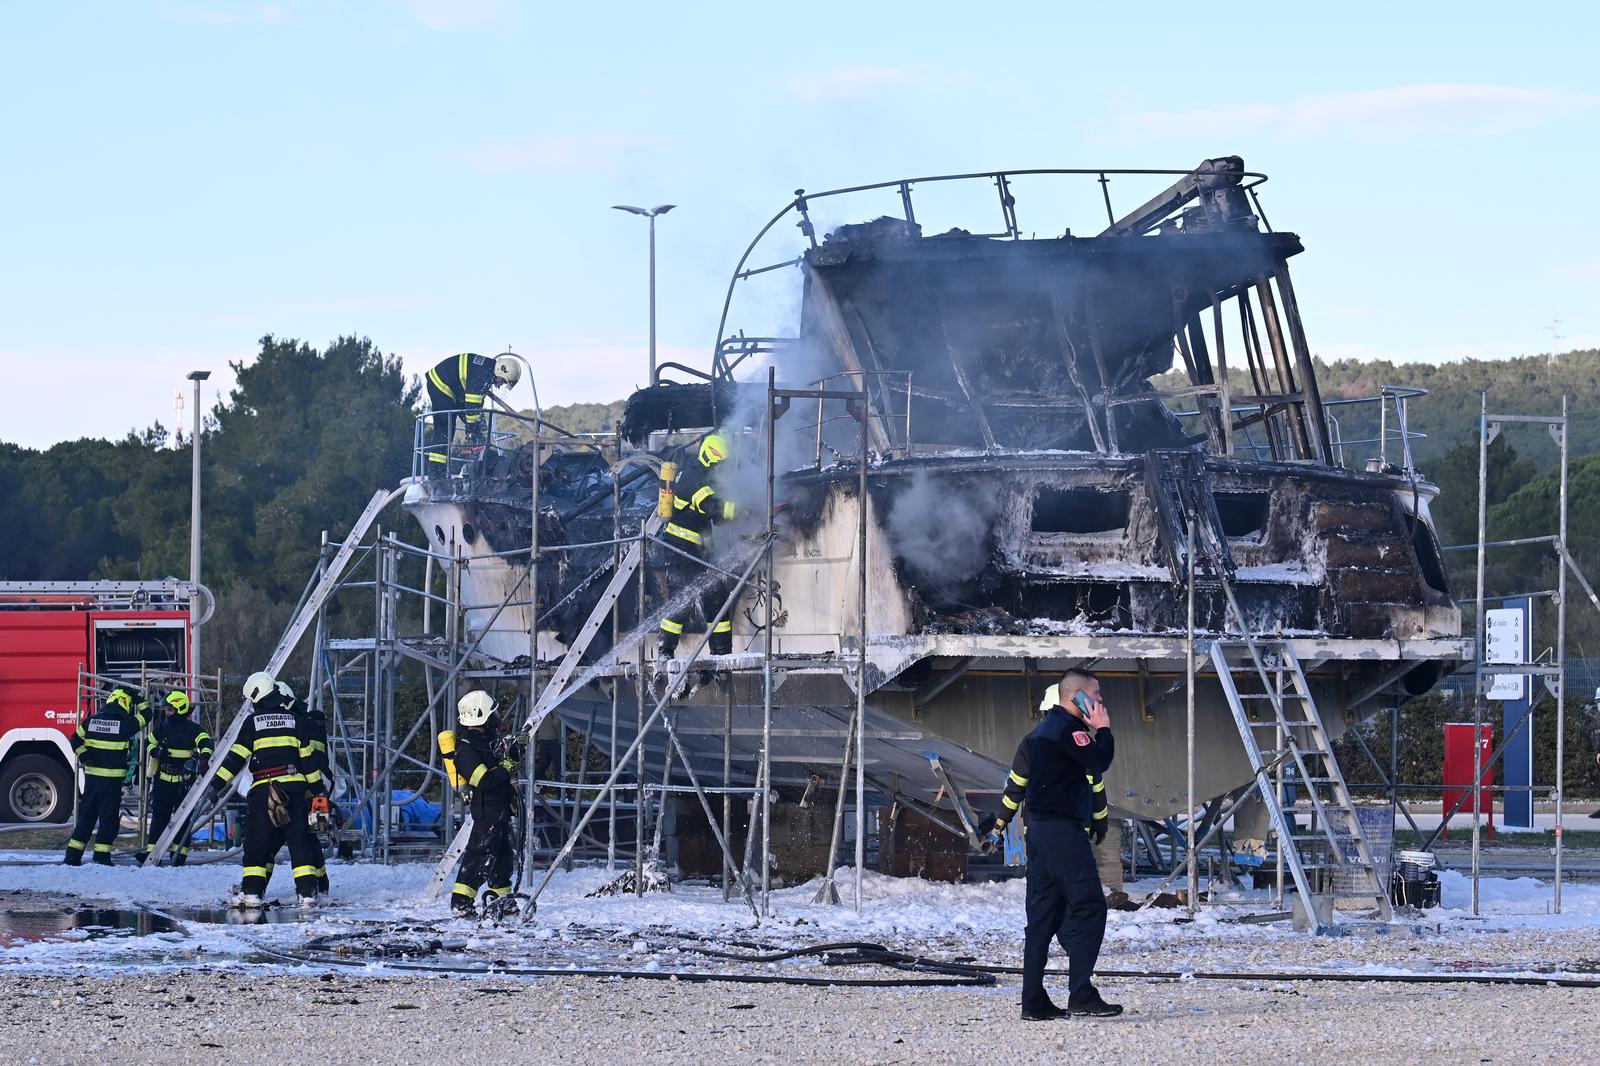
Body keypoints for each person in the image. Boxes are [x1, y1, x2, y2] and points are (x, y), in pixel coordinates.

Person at [1017, 669, 1121, 1021]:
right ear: (1076, 696)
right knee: (1090, 906)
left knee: (1043, 916)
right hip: (1061, 830)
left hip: (1040, 831)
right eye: (1096, 696)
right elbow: (1100, 761)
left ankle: (1033, 1001)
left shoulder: (1046, 731)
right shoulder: (1067, 729)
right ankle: (1081, 995)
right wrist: (1103, 728)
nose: (1100, 702)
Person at [210, 672, 327, 907]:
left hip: (265, 790)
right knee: (300, 842)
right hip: (296, 790)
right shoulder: (298, 721)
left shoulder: (253, 723)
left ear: (257, 695)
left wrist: (216, 785)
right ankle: (306, 895)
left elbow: (236, 758)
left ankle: (251, 893)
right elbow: (309, 762)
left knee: (257, 842)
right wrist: (319, 791)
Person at [658, 432, 739, 658]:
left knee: (717, 595)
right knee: (683, 598)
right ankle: (665, 651)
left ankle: (722, 653)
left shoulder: (706, 476)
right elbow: (711, 506)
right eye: (719, 464)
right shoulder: (693, 475)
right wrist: (741, 509)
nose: (721, 469)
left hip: (699, 551)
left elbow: (717, 518)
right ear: (711, 457)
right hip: (680, 550)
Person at [449, 690, 523, 918]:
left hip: (499, 808)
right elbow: (485, 779)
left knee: (502, 857)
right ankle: (461, 902)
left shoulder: (485, 741)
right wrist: (508, 767)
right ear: (480, 716)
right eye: (492, 713)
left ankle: (502, 899)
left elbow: (502, 761)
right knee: (480, 855)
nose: (496, 716)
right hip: (486, 810)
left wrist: (517, 748)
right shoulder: (466, 750)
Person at [64, 686, 149, 866]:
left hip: (92, 782)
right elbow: (147, 715)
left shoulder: (90, 722)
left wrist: (84, 755)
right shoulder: (125, 725)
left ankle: (72, 856)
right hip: (111, 784)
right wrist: (138, 698)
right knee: (108, 821)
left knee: (86, 818)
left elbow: (75, 740)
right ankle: (101, 857)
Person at [139, 690, 212, 866]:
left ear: (180, 709)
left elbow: (206, 743)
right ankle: (152, 852)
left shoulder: (194, 729)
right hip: (163, 780)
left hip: (184, 783)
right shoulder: (162, 727)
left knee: (182, 819)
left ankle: (179, 854)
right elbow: (149, 742)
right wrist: (156, 752)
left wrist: (204, 758)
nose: (166, 712)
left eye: (170, 709)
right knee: (159, 818)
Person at [276, 680, 333, 894]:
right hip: (313, 789)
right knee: (309, 838)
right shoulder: (305, 722)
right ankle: (321, 882)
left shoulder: (299, 724)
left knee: (296, 840)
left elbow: (309, 762)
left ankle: (254, 886)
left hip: (305, 791)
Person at [423, 352, 523, 468]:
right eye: (503, 381)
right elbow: (472, 405)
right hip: (441, 384)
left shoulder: (487, 369)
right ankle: (436, 471)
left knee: (471, 427)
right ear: (501, 370)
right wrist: (473, 430)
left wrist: (477, 427)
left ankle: (476, 450)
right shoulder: (483, 376)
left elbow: (475, 404)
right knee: (445, 428)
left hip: (454, 388)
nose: (501, 385)